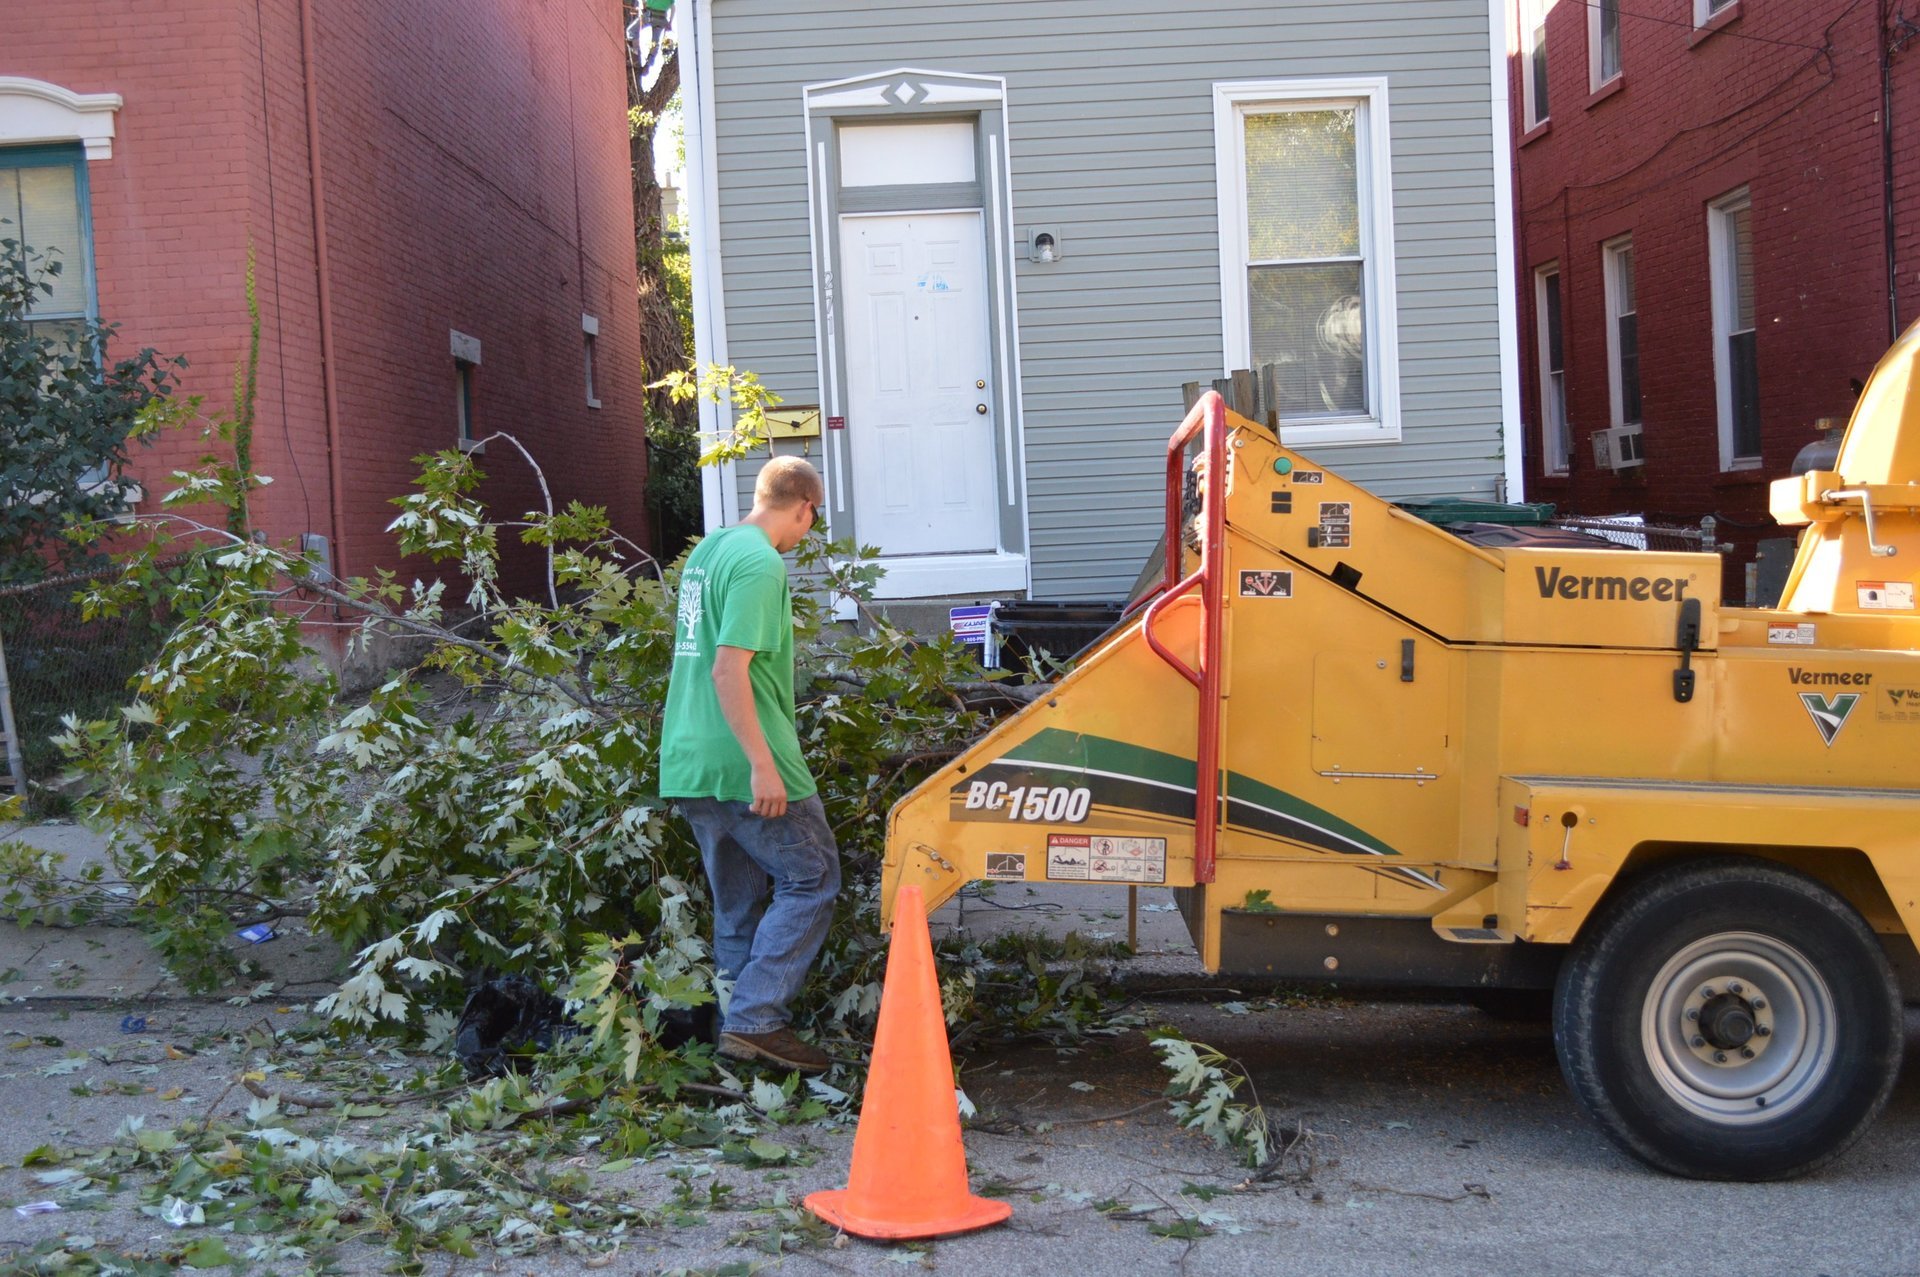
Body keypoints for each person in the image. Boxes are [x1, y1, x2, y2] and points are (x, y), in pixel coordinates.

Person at [661, 456, 839, 1073]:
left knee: (738, 904)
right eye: (810, 521)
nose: (804, 536)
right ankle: (757, 1019)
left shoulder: (709, 552)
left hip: (690, 758)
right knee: (812, 880)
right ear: (804, 507)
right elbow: (727, 668)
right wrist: (763, 767)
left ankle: (735, 1043)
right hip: (743, 762)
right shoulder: (762, 562)